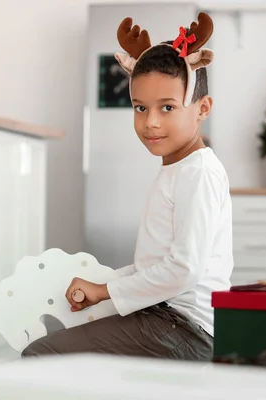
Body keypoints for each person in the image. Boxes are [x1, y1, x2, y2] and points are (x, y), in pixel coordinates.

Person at [21, 12, 233, 361]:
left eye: (167, 107)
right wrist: (100, 288)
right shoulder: (178, 169)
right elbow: (154, 266)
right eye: (140, 107)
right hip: (166, 320)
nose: (150, 122)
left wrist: (106, 290)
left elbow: (183, 270)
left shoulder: (198, 173)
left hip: (184, 330)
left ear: (202, 108)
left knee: (42, 355)